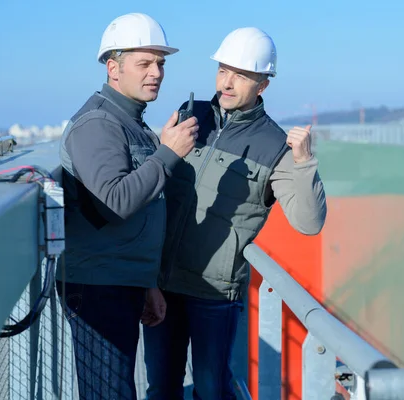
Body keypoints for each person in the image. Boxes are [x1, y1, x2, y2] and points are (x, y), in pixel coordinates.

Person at [143, 27, 327, 399]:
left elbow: (309, 223)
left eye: (241, 75)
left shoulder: (275, 145)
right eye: (223, 70)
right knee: (161, 387)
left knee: (212, 390)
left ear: (263, 84)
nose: (227, 83)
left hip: (214, 292)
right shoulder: (190, 114)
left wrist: (304, 161)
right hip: (163, 282)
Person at [57, 12, 198, 400]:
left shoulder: (130, 121)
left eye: (161, 64)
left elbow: (141, 210)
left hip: (120, 280)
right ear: (113, 67)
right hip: (98, 285)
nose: (156, 73)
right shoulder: (99, 124)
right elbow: (116, 202)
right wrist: (168, 153)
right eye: (145, 63)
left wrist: (147, 282)